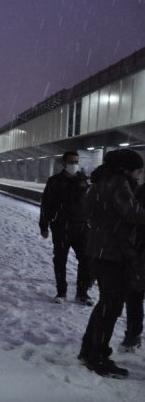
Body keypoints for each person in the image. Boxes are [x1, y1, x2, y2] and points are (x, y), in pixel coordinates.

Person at [79, 148, 145, 378]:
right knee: (111, 307)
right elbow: (133, 214)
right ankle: (98, 357)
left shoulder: (97, 182)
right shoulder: (118, 182)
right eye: (137, 171)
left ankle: (89, 351)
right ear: (125, 169)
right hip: (112, 254)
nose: (138, 175)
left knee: (105, 306)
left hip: (99, 251)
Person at [39, 151, 92, 305]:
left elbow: (88, 204)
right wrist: (44, 225)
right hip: (61, 227)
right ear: (63, 163)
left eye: (76, 162)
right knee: (60, 260)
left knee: (86, 260)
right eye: (71, 162)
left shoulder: (83, 181)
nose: (74, 165)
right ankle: (61, 292)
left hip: (81, 228)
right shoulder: (54, 181)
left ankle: (82, 293)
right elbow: (46, 205)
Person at [120, 183, 145, 351]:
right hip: (140, 252)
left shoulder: (140, 191)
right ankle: (132, 336)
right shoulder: (141, 191)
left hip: (139, 252)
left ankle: (132, 336)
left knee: (135, 296)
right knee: (135, 295)